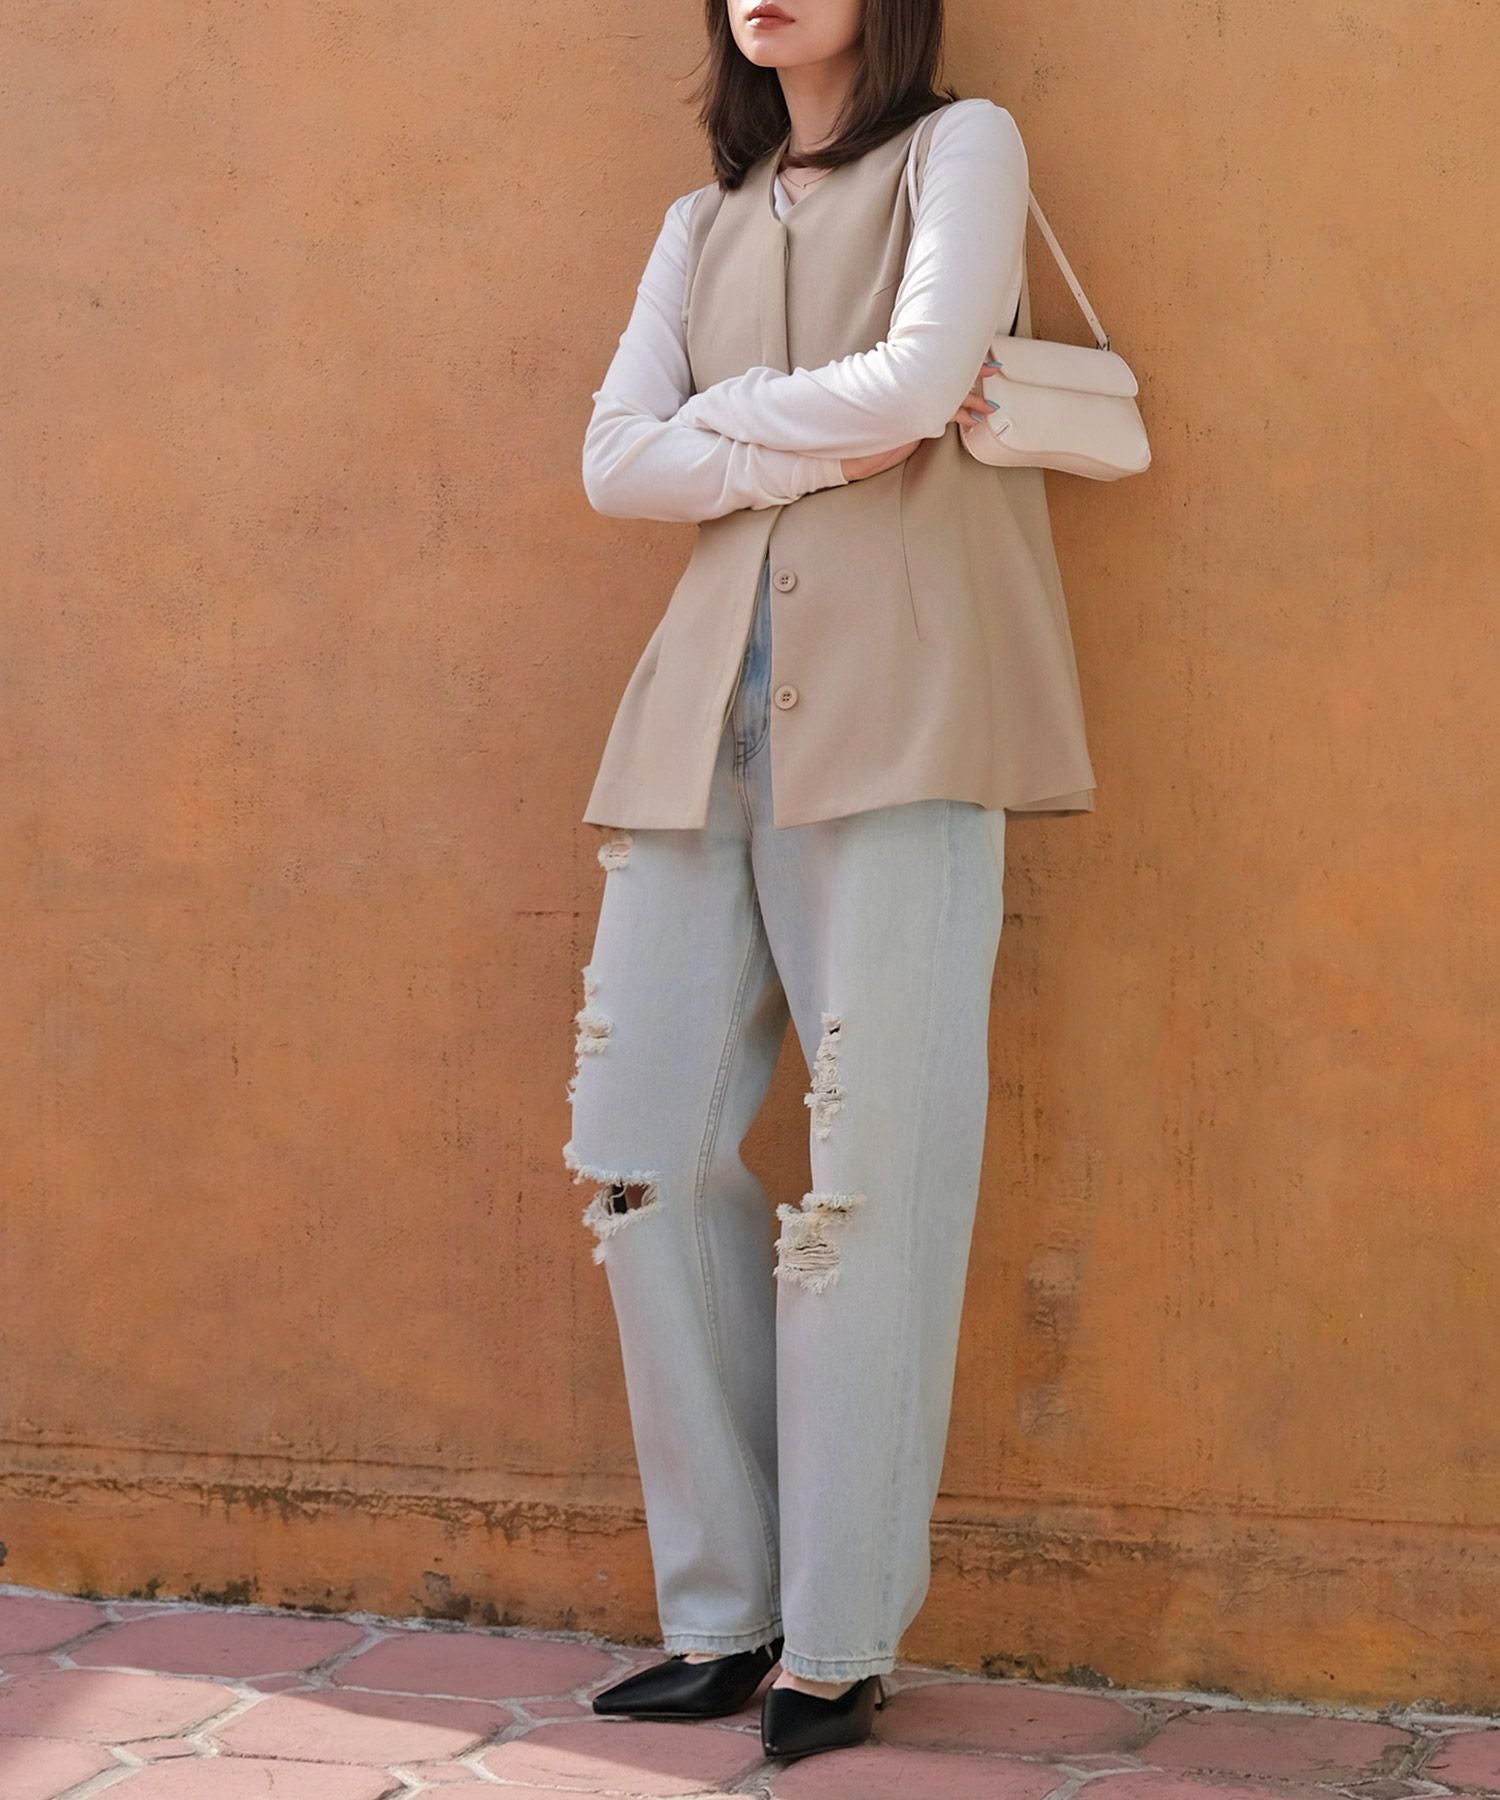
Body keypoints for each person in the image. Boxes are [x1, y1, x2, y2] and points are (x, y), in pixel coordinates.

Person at [563, 0, 1097, 1763]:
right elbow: (613, 458)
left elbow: (924, 384)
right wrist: (802, 430)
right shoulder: (697, 220)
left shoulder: (963, 147)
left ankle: (838, 1639)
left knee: (874, 1180)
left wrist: (723, 427)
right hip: (696, 729)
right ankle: (722, 1616)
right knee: (641, 1156)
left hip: (908, 712)